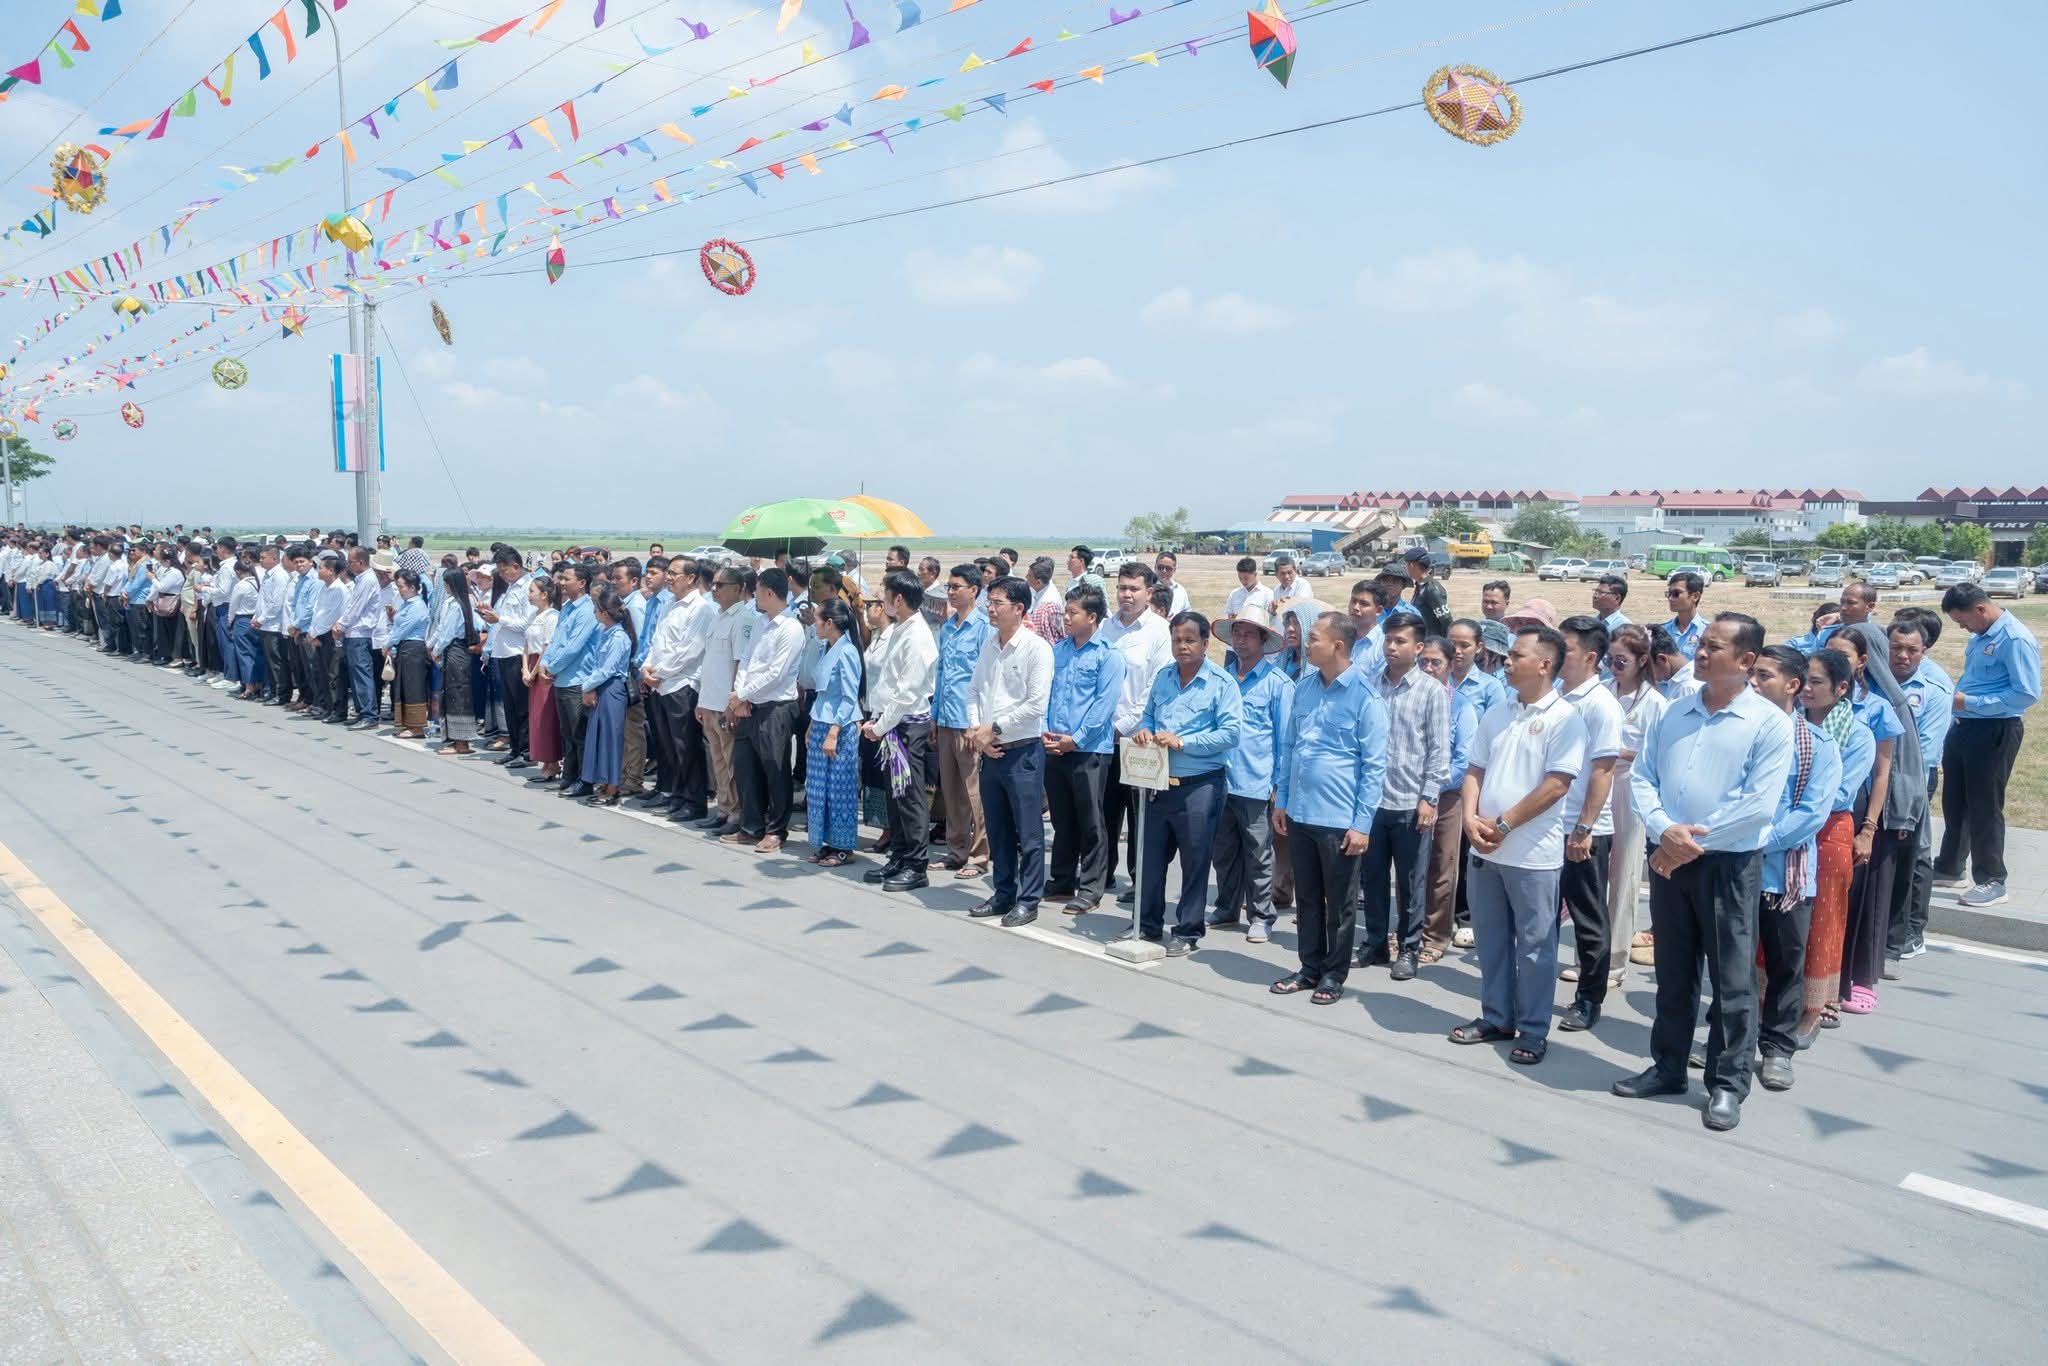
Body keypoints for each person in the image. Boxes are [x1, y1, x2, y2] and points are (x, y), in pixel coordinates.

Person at [1616, 613, 1794, 1132]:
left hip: (1728, 865)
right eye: (1703, 644)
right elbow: (1643, 776)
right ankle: (1668, 1066)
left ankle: (1726, 1083)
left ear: (1746, 660)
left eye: (1714, 647)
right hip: (1669, 855)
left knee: (1732, 980)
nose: (1700, 652)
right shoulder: (1675, 711)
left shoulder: (1768, 723)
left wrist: (1686, 845)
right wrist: (1663, 829)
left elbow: (1757, 807)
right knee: (1674, 971)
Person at [1450, 624, 1586, 1066]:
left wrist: (1504, 824)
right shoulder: (1499, 711)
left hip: (1531, 855)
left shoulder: (1565, 718)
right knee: (1491, 941)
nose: (1507, 661)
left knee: (1534, 946)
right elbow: (1474, 769)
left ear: (1544, 664)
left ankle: (1532, 1028)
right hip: (1484, 848)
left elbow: (1557, 784)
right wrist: (1470, 820)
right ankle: (1497, 1017)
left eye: (1517, 655)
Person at [1270, 612, 1386, 1005]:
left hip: (1339, 820)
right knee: (1307, 898)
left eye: (1314, 638)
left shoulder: (1365, 697)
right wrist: (1282, 800)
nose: (1307, 643)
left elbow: (1374, 767)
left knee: (1339, 904)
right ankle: (1309, 967)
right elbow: (1289, 748)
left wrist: (1362, 824)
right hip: (1301, 813)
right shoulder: (1304, 688)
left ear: (1337, 645)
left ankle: (1334, 974)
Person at [1749, 644, 1840, 1092]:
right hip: (1736, 870)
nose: (1753, 683)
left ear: (1792, 685)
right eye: (1752, 674)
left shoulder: (1818, 747)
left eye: (1764, 676)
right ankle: (1731, 1041)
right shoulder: (1739, 735)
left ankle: (1777, 1049)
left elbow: (1810, 814)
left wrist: (1754, 844)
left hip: (1786, 876)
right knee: (1732, 964)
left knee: (1787, 966)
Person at [1128, 611, 1243, 955]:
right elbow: (1148, 715)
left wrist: (1183, 742)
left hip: (1200, 785)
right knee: (1150, 857)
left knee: (1194, 861)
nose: (1182, 646)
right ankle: (1146, 924)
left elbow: (1231, 734)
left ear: (1205, 644)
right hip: (1158, 782)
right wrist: (1145, 730)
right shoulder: (1164, 677)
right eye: (1177, 640)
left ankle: (1188, 930)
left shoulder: (1221, 683)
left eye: (1190, 640)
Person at [1835, 624, 1923, 1015]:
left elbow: (1890, 770)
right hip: (1821, 811)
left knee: (1864, 900)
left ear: (1863, 662)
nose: (1834, 662)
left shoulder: (1882, 705)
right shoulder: (1811, 700)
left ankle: (1859, 977)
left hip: (1870, 811)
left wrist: (1871, 826)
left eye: (1844, 656)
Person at [1934, 582, 2041, 908]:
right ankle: (1951, 866)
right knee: (1956, 801)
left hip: (1995, 730)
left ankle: (1992, 879)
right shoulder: (1981, 635)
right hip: (1965, 726)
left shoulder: (2015, 639)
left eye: (1962, 620)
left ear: (1980, 609)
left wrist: (1970, 703)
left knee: (1984, 806)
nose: (1962, 627)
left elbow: (2026, 694)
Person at [1359, 615, 1449, 978]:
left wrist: (1429, 798)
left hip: (1411, 802)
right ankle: (1375, 942)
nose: (1392, 647)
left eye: (1400, 641)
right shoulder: (1370, 685)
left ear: (1418, 647)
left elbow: (1439, 750)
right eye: (1388, 640)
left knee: (1411, 882)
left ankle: (1409, 948)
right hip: (1373, 801)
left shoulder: (1431, 691)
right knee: (1372, 877)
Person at [964, 577, 1054, 926]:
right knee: (998, 828)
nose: (990, 608)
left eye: (997, 602)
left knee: (1028, 832)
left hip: (1022, 753)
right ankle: (1003, 893)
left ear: (1018, 608)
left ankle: (1028, 899)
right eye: (989, 602)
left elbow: (1035, 705)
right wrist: (978, 731)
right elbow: (974, 691)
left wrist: (995, 728)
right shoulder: (990, 644)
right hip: (990, 751)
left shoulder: (1036, 649)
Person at [1552, 616, 1626, 1032]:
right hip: (1548, 824)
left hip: (1582, 830)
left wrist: (1584, 828)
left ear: (1591, 657)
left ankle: (1588, 998)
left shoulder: (1601, 705)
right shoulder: (1557, 696)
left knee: (1587, 918)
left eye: (1567, 649)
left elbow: (1603, 770)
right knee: (1542, 914)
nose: (1557, 655)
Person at [1796, 645, 1872, 1041]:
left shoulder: (1858, 736)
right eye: (1804, 681)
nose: (1806, 689)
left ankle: (1815, 1007)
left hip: (1829, 833)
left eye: (1816, 682)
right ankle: (1768, 999)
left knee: (1824, 919)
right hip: (1788, 829)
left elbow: (1840, 794)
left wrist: (1794, 794)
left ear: (1841, 688)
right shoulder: (1786, 724)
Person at [1041, 585, 1125, 914]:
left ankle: (1090, 887)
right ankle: (1062, 880)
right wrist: (1047, 731)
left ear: (1091, 617)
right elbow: (1047, 694)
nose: (1065, 617)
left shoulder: (1108, 655)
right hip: (1055, 746)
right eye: (1065, 611)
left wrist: (1075, 739)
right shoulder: (1058, 651)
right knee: (1062, 819)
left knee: (1091, 821)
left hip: (1089, 749)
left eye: (1072, 612)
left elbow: (1103, 706)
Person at [1210, 607, 1289, 942]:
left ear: (1262, 640)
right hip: (1221, 778)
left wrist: (1279, 786)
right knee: (1224, 850)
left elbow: (1285, 740)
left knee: (1258, 853)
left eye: (1248, 634)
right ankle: (1226, 907)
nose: (1241, 640)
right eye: (1237, 633)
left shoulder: (1277, 684)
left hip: (1257, 783)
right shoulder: (1222, 678)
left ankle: (1260, 915)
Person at [860, 570, 939, 891]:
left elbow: (907, 692)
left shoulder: (917, 635)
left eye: (885, 594)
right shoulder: (900, 629)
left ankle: (917, 864)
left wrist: (880, 726)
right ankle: (900, 854)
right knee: (896, 795)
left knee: (910, 796)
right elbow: (887, 682)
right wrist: (878, 720)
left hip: (906, 725)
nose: (881, 600)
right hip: (891, 723)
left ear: (899, 599)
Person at [1101, 562, 1172, 902]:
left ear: (1149, 592)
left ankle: (1139, 880)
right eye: (1122, 588)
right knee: (1105, 808)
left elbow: (1155, 687)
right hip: (1103, 736)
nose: (1126, 595)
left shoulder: (1159, 631)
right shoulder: (1106, 627)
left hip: (1140, 737)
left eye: (1134, 589)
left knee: (1140, 814)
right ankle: (1101, 872)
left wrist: (1123, 726)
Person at [1885, 614, 1952, 967]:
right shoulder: (1875, 680)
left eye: (1911, 650)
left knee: (1915, 854)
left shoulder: (1934, 690)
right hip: (1876, 779)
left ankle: (1911, 931)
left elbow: (1923, 752)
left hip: (1913, 781)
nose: (1903, 655)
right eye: (1896, 647)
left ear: (1924, 650)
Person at [1605, 625, 1668, 977]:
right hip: (1598, 784)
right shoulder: (1602, 691)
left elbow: (1659, 757)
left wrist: (1623, 752)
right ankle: (1590, 955)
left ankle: (1615, 961)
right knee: (1594, 873)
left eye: (1621, 661)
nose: (1614, 668)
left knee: (1624, 872)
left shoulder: (1655, 703)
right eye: (1610, 660)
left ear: (1642, 661)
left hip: (1630, 787)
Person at [726, 566, 803, 854]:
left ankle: (776, 829)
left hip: (776, 707)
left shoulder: (790, 628)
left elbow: (776, 673)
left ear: (769, 592)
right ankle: (751, 826)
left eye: (757, 589)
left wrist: (742, 694)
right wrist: (740, 696)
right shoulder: (760, 622)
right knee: (746, 767)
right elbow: (747, 659)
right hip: (750, 704)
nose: (754, 594)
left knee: (775, 769)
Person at [1418, 634, 1477, 963]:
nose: (1428, 668)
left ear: (1450, 665)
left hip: (1448, 796)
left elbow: (1463, 760)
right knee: (1412, 868)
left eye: (1435, 663)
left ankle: (1436, 935)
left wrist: (1432, 786)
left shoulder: (1462, 706)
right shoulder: (1410, 697)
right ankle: (1409, 930)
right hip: (1410, 794)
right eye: (1423, 662)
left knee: (1442, 866)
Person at [642, 559, 713, 822]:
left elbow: (689, 651)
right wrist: (647, 667)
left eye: (674, 573)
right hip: (661, 685)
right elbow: (657, 641)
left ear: (691, 578)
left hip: (682, 685)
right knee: (670, 748)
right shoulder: (669, 605)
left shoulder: (700, 609)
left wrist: (658, 673)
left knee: (687, 748)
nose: (669, 578)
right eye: (668, 573)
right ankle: (679, 796)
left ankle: (695, 802)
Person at [934, 565, 993, 879]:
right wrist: (934, 716)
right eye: (949, 586)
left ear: (974, 590)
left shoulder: (983, 628)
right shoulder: (947, 627)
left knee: (974, 793)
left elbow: (986, 680)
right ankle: (956, 850)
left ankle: (979, 854)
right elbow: (941, 672)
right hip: (946, 718)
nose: (951, 591)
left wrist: (978, 723)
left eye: (957, 586)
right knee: (951, 791)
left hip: (968, 722)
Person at [805, 598, 864, 866]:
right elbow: (821, 693)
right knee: (819, 788)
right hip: (820, 722)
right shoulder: (825, 648)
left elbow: (849, 697)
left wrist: (834, 731)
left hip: (839, 727)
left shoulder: (847, 651)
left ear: (829, 623)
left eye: (817, 619)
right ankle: (824, 842)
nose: (814, 624)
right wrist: (812, 723)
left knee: (840, 788)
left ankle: (842, 847)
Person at [694, 567, 751, 832]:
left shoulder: (743, 618)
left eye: (721, 585)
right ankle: (724, 808)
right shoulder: (718, 616)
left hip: (725, 704)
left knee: (731, 763)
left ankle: (737, 814)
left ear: (738, 588)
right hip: (710, 700)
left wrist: (733, 705)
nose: (714, 589)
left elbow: (740, 664)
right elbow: (710, 661)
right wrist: (701, 700)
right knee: (718, 761)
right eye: (714, 584)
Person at [570, 585, 637, 807]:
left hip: (612, 689)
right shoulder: (605, 632)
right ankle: (605, 782)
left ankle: (613, 787)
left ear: (605, 613)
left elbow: (608, 669)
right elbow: (596, 665)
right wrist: (590, 686)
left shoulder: (618, 637)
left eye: (596, 609)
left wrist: (586, 686)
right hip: (600, 687)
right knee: (599, 737)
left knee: (611, 739)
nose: (594, 613)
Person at [541, 563, 599, 790]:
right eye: (561, 578)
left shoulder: (587, 610)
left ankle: (585, 780)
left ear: (582, 583)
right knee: (567, 732)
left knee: (579, 733)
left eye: (567, 579)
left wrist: (553, 667)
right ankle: (569, 775)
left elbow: (574, 647)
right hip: (562, 678)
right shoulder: (566, 607)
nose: (561, 583)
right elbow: (557, 640)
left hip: (578, 679)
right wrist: (545, 663)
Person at [481, 548, 534, 765]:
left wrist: (499, 619)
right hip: (503, 651)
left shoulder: (528, 588)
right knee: (510, 706)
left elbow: (526, 624)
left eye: (504, 571)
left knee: (521, 706)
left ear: (516, 566)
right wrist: (491, 615)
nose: (502, 576)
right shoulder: (511, 587)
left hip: (517, 652)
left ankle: (527, 751)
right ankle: (515, 748)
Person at [430, 565, 481, 756]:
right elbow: (440, 628)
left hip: (455, 651)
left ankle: (461, 742)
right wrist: (431, 644)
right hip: (454, 650)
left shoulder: (456, 604)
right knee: (451, 694)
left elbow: (447, 632)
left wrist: (435, 649)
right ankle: (454, 738)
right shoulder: (458, 602)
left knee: (458, 695)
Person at [522, 576, 564, 783]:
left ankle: (553, 762)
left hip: (543, 667)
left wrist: (534, 671)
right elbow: (526, 645)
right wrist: (524, 668)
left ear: (545, 594)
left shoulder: (552, 616)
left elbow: (547, 647)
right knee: (536, 717)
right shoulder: (534, 615)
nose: (529, 595)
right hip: (531, 664)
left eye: (532, 591)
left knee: (546, 717)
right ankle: (545, 761)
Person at [337, 546, 381, 727]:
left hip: (360, 633)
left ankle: (369, 715)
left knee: (362, 674)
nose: (348, 565)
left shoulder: (367, 580)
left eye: (351, 562)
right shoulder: (361, 579)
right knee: (355, 675)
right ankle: (361, 711)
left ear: (361, 562)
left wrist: (341, 624)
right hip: (353, 633)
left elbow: (356, 608)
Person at [388, 570, 431, 736]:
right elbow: (397, 626)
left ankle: (417, 726)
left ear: (412, 587)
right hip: (404, 647)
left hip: (414, 647)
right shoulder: (406, 604)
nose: (400, 590)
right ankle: (408, 723)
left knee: (414, 686)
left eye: (402, 586)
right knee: (405, 686)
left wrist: (388, 643)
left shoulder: (417, 605)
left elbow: (404, 629)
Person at [1403, 546, 1451, 638]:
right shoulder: (1421, 586)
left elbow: (1446, 621)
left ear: (1412, 565)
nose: (1406, 568)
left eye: (1407, 564)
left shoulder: (1431, 589)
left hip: (1432, 641)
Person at [1660, 571, 1706, 660]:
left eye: (1676, 594)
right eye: (1669, 593)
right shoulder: (1663, 631)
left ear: (1695, 596)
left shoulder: (1706, 632)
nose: (1670, 598)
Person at [1023, 557, 1066, 643]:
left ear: (1038, 582)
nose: (1026, 577)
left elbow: (1048, 638)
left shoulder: (1047, 603)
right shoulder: (1041, 590)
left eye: (1029, 576)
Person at [1223, 557, 1273, 626]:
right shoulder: (1234, 594)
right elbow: (1226, 614)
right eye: (1240, 578)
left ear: (1255, 574)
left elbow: (1269, 619)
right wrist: (1230, 617)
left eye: (1246, 578)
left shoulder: (1267, 593)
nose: (1243, 582)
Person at [1154, 550, 1191, 618]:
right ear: (1155, 567)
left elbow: (1187, 613)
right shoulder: (1147, 588)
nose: (1164, 571)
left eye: (1168, 568)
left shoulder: (1180, 590)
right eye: (1160, 567)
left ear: (1174, 570)